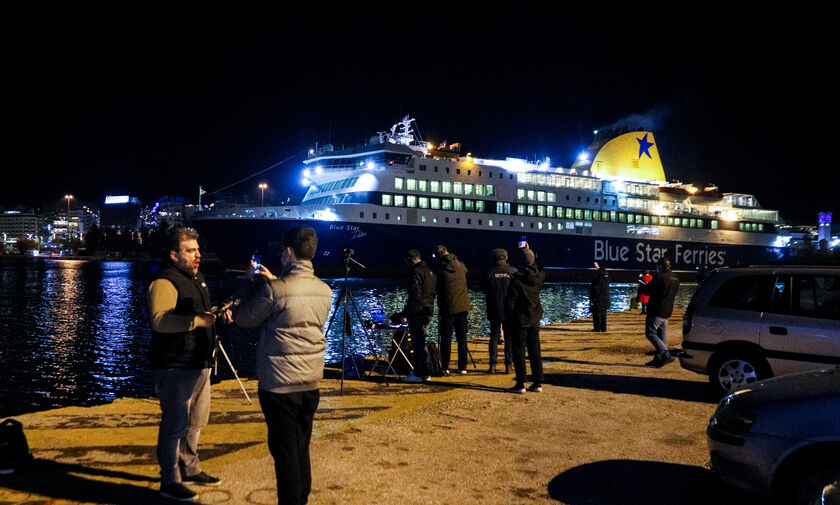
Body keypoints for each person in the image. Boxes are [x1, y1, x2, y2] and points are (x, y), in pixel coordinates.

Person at [233, 226, 332, 505]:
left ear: (288, 252)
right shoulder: (324, 290)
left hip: (279, 385)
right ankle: (302, 498)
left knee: (284, 451)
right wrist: (274, 282)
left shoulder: (274, 290)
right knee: (301, 446)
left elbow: (245, 318)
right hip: (310, 383)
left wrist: (249, 284)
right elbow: (295, 303)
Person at [147, 227, 228, 502]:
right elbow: (159, 321)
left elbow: (199, 314)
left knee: (196, 421)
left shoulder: (196, 277)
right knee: (175, 423)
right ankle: (169, 480)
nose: (198, 255)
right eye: (190, 250)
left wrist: (218, 316)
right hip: (175, 364)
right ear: (174, 255)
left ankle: (190, 469)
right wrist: (197, 321)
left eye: (197, 249)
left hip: (199, 361)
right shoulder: (165, 281)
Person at [505, 246, 545, 393]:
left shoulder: (517, 280)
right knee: (535, 351)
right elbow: (536, 265)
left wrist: (508, 317)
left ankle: (521, 383)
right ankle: (538, 383)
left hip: (520, 319)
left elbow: (510, 302)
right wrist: (530, 252)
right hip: (534, 317)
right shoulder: (539, 276)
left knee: (519, 351)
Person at [432, 244, 470, 374]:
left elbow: (435, 286)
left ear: (438, 256)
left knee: (446, 338)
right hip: (463, 306)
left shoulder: (439, 269)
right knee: (462, 338)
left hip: (448, 308)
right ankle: (463, 367)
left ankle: (445, 366)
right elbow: (465, 272)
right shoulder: (461, 266)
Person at [400, 249, 437, 383]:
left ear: (411, 259)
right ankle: (426, 372)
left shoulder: (415, 272)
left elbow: (414, 295)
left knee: (417, 344)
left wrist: (405, 313)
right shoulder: (430, 271)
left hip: (417, 312)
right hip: (429, 310)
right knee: (422, 342)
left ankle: (418, 373)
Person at [481, 248, 516, 373]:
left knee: (494, 337)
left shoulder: (489, 272)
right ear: (506, 258)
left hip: (493, 308)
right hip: (509, 310)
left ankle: (493, 365)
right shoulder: (513, 271)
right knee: (509, 337)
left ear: (493, 258)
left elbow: (484, 288)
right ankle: (508, 365)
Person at [642, 257, 681, 367]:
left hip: (656, 310)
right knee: (662, 335)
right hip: (668, 310)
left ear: (660, 266)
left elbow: (647, 290)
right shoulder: (675, 278)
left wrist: (643, 285)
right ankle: (658, 359)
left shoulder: (660, 277)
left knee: (650, 333)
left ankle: (666, 354)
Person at [589, 263, 611, 332]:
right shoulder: (607, 280)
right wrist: (598, 267)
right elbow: (605, 273)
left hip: (598, 301)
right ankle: (603, 328)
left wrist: (592, 301)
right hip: (606, 301)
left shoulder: (597, 281)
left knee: (597, 316)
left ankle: (597, 328)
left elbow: (596, 292)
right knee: (604, 316)